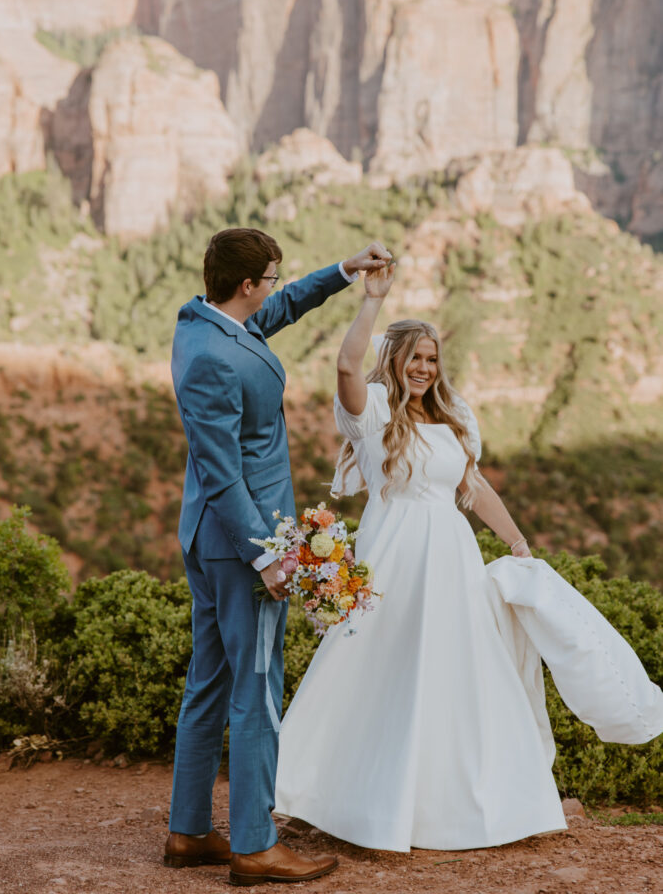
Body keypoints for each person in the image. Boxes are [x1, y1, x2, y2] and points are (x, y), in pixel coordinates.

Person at [275, 263, 663, 852]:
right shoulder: (373, 410)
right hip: (392, 552)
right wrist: (371, 301)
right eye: (414, 357)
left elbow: (474, 489)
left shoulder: (455, 418)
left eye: (431, 358)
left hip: (450, 554)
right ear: (397, 359)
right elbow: (347, 363)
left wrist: (517, 542)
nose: (424, 368)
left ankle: (457, 805)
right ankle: (344, 799)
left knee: (456, 670)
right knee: (378, 667)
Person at [164, 227, 392, 886]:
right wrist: (266, 555)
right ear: (245, 284)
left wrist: (343, 272)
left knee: (207, 679)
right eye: (269, 276)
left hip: (207, 537)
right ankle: (256, 844)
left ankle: (188, 831)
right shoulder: (213, 355)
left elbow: (283, 307)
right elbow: (218, 468)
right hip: (242, 543)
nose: (273, 287)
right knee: (257, 686)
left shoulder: (206, 323)